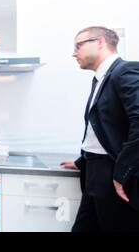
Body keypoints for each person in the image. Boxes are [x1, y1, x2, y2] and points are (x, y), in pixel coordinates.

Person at [61, 26, 139, 232]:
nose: (73, 52)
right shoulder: (100, 78)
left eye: (78, 45)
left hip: (112, 174)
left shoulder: (125, 71)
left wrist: (122, 173)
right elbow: (102, 128)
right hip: (93, 171)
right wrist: (82, 160)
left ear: (100, 42)